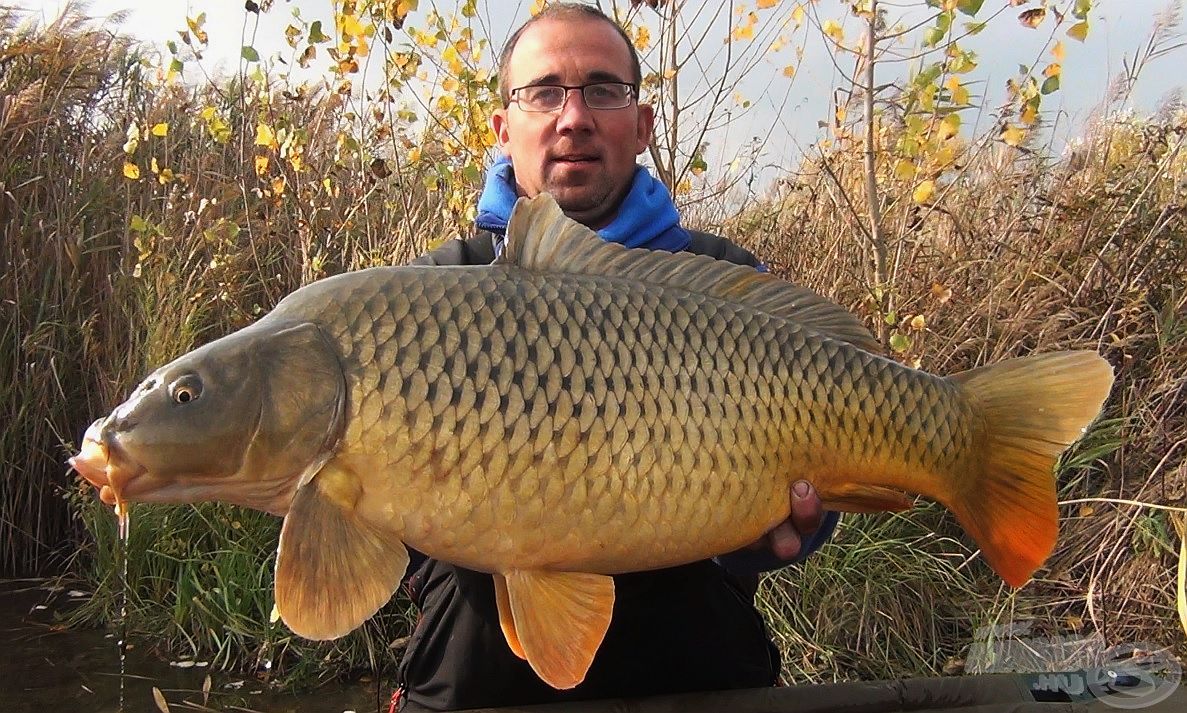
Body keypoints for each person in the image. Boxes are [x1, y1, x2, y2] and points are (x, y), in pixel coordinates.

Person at [394, 4, 839, 711]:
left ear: (641, 125)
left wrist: (768, 536)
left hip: (699, 681)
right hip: (478, 684)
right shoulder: (431, 294)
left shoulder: (724, 281)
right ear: (503, 130)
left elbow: (818, 490)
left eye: (603, 90)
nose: (573, 117)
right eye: (542, 92)